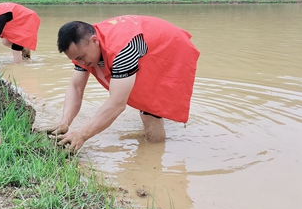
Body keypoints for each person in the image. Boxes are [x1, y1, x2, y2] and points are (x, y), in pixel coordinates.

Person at [46, 15, 200, 152]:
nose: (81, 62)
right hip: (144, 42)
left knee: (150, 108)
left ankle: (154, 152)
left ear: (94, 41)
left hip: (171, 47)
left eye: (81, 57)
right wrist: (65, 121)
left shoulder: (122, 51)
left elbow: (117, 104)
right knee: (136, 94)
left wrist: (81, 134)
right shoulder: (86, 45)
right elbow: (76, 87)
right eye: (76, 59)